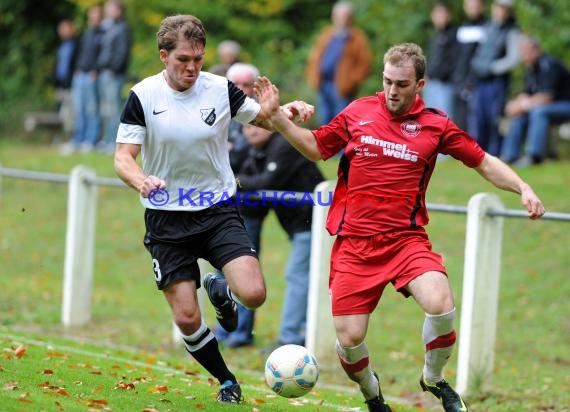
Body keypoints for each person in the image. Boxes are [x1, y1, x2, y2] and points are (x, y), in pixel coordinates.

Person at [254, 42, 545, 412]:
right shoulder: (359, 111)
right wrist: (278, 118)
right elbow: (315, 147)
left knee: (441, 303)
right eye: (388, 81)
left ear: (419, 84)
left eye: (402, 84)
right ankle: (372, 392)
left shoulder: (436, 125)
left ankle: (434, 379)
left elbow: (483, 161)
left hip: (405, 241)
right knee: (349, 339)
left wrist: (523, 186)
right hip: (355, 245)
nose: (392, 91)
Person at [113, 14, 314, 404]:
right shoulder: (144, 95)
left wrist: (286, 109)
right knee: (188, 318)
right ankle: (226, 380)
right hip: (167, 216)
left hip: (216, 209)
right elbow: (123, 157)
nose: (191, 67)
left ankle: (221, 292)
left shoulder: (220, 89)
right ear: (163, 56)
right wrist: (143, 181)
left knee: (254, 294)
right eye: (183, 60)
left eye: (198, 59)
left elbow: (263, 119)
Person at [236, 123, 324, 351]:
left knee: (297, 275)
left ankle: (290, 339)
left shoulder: (283, 144)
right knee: (303, 277)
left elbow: (266, 182)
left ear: (271, 125)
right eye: (246, 127)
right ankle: (299, 333)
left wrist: (233, 181)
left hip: (316, 221)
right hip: (301, 224)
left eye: (256, 125)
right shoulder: (259, 150)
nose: (251, 131)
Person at [213, 62, 262, 348]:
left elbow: (240, 157)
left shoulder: (254, 115)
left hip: (248, 206)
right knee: (220, 271)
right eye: (237, 84)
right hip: (217, 205)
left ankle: (242, 332)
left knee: (245, 270)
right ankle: (226, 328)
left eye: (247, 84)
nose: (242, 90)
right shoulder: (218, 111)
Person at [500, 35, 570, 167]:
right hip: (548, 106)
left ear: (536, 50)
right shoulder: (530, 67)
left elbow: (547, 97)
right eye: (522, 52)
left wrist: (523, 105)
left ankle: (534, 156)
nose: (523, 56)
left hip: (565, 104)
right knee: (520, 115)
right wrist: (516, 105)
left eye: (526, 52)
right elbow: (526, 93)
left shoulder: (548, 65)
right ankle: (509, 156)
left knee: (539, 112)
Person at [306, 1, 372, 126]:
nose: (342, 19)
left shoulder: (357, 37)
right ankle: (325, 146)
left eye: (345, 16)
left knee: (342, 123)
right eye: (339, 16)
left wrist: (351, 83)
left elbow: (364, 64)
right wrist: (314, 77)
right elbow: (315, 57)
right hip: (323, 85)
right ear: (333, 17)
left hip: (342, 88)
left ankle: (342, 146)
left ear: (351, 18)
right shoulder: (327, 34)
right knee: (324, 122)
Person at [469, 0, 520, 155]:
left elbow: (513, 59)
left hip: (497, 82)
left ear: (509, 12)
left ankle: (495, 152)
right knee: (478, 117)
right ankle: (478, 152)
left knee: (495, 119)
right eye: (498, 7)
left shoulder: (512, 32)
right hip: (480, 81)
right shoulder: (487, 27)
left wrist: (492, 68)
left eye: (504, 9)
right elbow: (479, 51)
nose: (500, 11)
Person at [61, 5, 104, 155]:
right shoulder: (86, 33)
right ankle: (78, 140)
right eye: (91, 14)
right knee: (79, 110)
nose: (93, 17)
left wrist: (96, 70)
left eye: (96, 14)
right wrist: (77, 70)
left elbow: (104, 56)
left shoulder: (103, 34)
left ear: (101, 16)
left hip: (92, 76)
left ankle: (90, 141)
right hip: (79, 75)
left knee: (92, 109)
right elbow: (78, 54)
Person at [97, 0, 132, 154]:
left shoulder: (123, 28)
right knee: (106, 109)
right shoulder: (108, 27)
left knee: (114, 109)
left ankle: (114, 143)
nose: (107, 11)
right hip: (104, 72)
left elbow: (122, 52)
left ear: (118, 10)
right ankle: (106, 140)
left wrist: (114, 69)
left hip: (113, 74)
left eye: (109, 8)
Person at [452, 0, 487, 132]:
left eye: (475, 5)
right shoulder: (462, 29)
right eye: (469, 5)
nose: (472, 8)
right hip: (459, 81)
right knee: (460, 122)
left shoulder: (487, 27)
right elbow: (458, 58)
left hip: (476, 83)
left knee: (476, 124)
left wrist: (471, 80)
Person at [423, 2, 458, 119]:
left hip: (445, 85)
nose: (439, 16)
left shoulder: (455, 35)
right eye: (437, 13)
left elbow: (452, 63)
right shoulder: (436, 36)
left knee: (444, 122)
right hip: (431, 84)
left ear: (449, 15)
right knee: (430, 121)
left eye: (442, 13)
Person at [53, 18, 78, 135]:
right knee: (62, 112)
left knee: (71, 112)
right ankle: (65, 136)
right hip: (60, 83)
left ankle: (73, 136)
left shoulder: (76, 44)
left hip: (72, 83)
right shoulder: (61, 46)